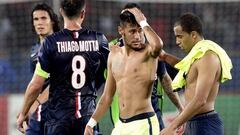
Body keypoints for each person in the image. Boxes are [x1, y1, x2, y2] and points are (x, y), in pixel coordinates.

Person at [17, 0, 109, 134]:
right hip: (87, 117)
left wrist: (23, 112)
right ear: (83, 13)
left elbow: (36, 85)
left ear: (61, 12)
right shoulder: (99, 40)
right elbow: (111, 71)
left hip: (59, 119)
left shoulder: (50, 43)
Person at [84, 5, 163, 135]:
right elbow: (107, 96)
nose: (137, 36)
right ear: (121, 31)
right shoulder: (113, 54)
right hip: (121, 125)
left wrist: (143, 21)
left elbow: (158, 45)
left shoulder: (148, 53)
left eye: (140, 31)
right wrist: (91, 123)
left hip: (143, 123)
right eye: (132, 31)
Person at [160, 13, 232, 135]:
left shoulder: (208, 57)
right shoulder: (197, 57)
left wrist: (172, 126)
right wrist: (165, 57)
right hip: (193, 122)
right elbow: (187, 68)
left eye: (180, 36)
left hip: (205, 124)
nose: (177, 41)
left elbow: (200, 100)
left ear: (193, 35)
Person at [25, 3, 60, 135]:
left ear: (52, 21)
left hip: (58, 109)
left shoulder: (60, 46)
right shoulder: (34, 50)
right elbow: (35, 84)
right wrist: (26, 108)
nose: (39, 22)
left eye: (43, 18)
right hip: (39, 109)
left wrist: (34, 105)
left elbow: (59, 82)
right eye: (36, 19)